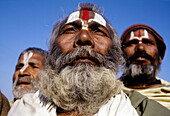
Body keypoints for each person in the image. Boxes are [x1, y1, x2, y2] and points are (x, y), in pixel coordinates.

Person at [8, 3, 170, 116]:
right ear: (52, 52)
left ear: (115, 55)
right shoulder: (21, 107)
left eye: (99, 32)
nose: (84, 37)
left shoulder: (143, 110)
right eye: (70, 30)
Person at [120, 24, 170, 109]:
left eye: (148, 42)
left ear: (160, 57)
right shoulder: (108, 94)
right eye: (133, 43)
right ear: (121, 56)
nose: (140, 48)